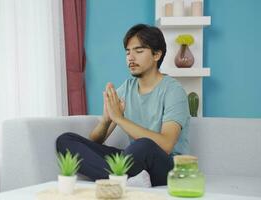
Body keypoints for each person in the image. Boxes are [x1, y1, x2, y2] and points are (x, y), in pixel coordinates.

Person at [56, 24, 190, 186]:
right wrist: (106, 120)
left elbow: (166, 145)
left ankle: (115, 179)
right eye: (128, 52)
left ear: (156, 55)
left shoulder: (173, 91)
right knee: (66, 140)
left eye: (138, 51)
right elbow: (95, 143)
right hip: (136, 164)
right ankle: (121, 180)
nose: (131, 58)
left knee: (144, 145)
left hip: (167, 167)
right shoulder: (126, 88)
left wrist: (119, 119)